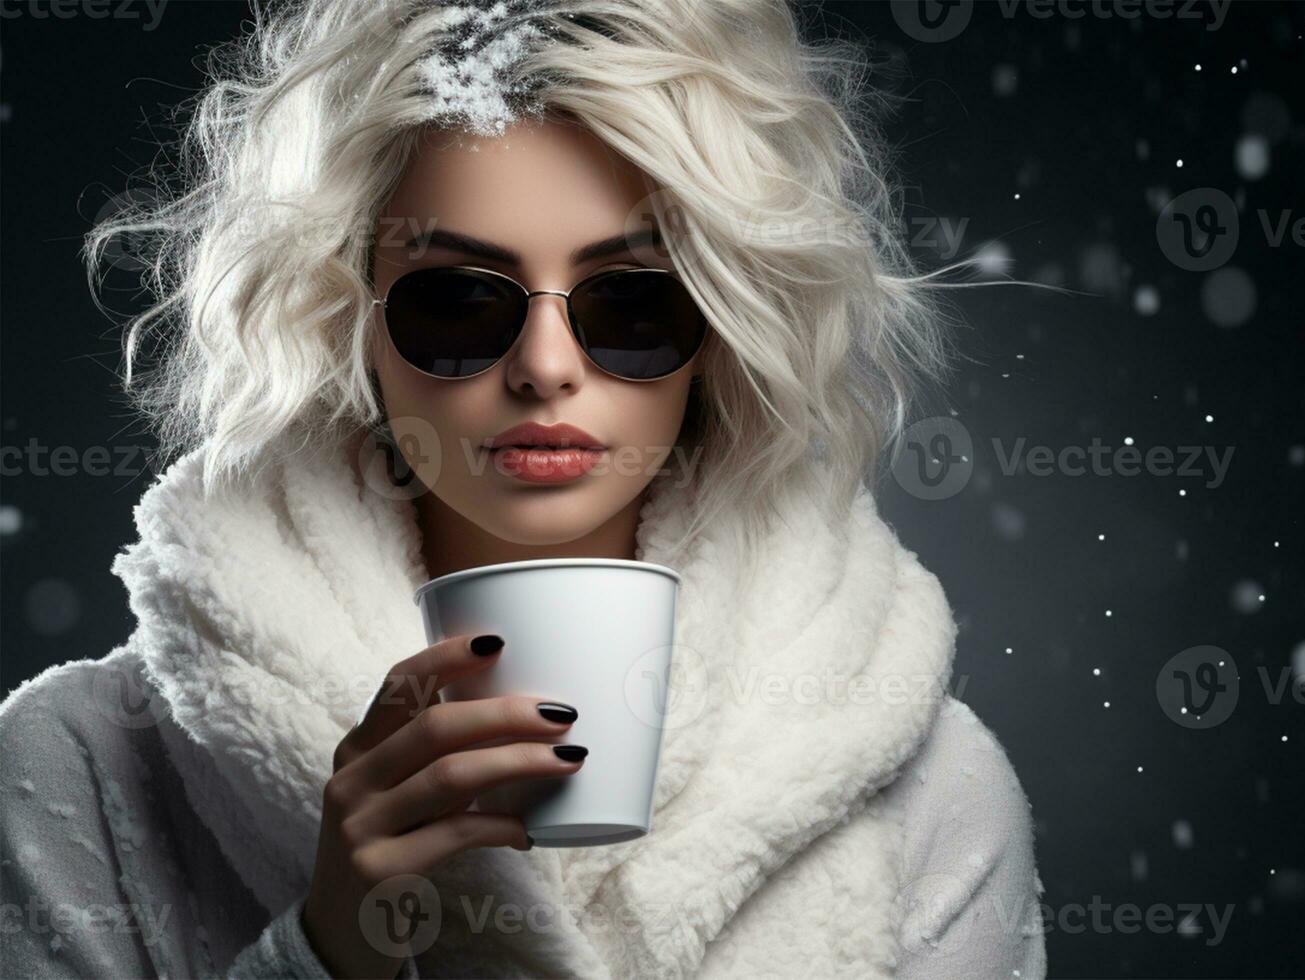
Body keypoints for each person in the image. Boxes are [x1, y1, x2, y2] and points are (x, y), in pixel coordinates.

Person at [0, 1, 1046, 977]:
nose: (545, 365)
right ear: (347, 318)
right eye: (458, 301)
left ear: (722, 326)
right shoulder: (85, 767)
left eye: (632, 302)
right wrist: (329, 945)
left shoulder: (932, 797)